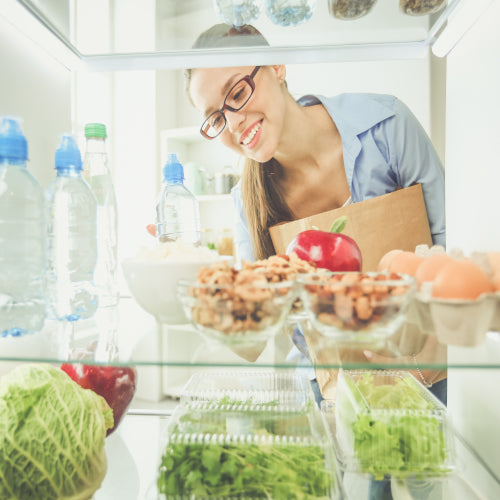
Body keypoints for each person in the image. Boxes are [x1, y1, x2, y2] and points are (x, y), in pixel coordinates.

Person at [183, 23, 447, 499]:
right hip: (335, 395)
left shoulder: (386, 126)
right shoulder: (248, 201)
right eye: (215, 118)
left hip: (430, 376)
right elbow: (256, 338)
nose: (234, 121)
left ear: (278, 66)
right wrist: (210, 303)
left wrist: (435, 354)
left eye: (238, 92)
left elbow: (452, 249)